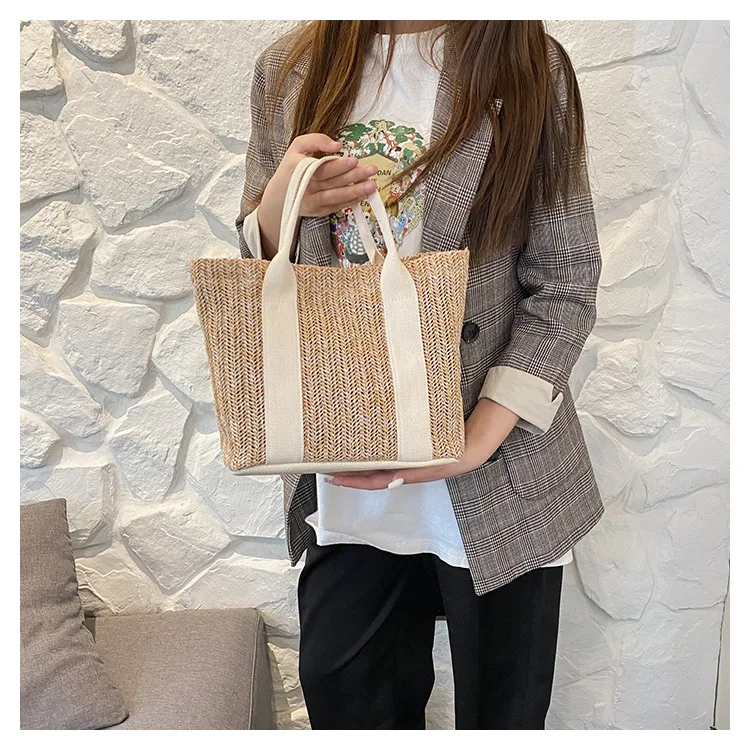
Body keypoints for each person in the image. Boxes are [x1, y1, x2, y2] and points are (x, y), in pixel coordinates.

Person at [236, 20, 604, 730]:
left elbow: (565, 281)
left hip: (496, 469)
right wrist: (285, 199)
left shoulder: (526, 63)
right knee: (345, 702)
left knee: (503, 717)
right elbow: (263, 267)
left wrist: (474, 441)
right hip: (345, 463)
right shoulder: (291, 65)